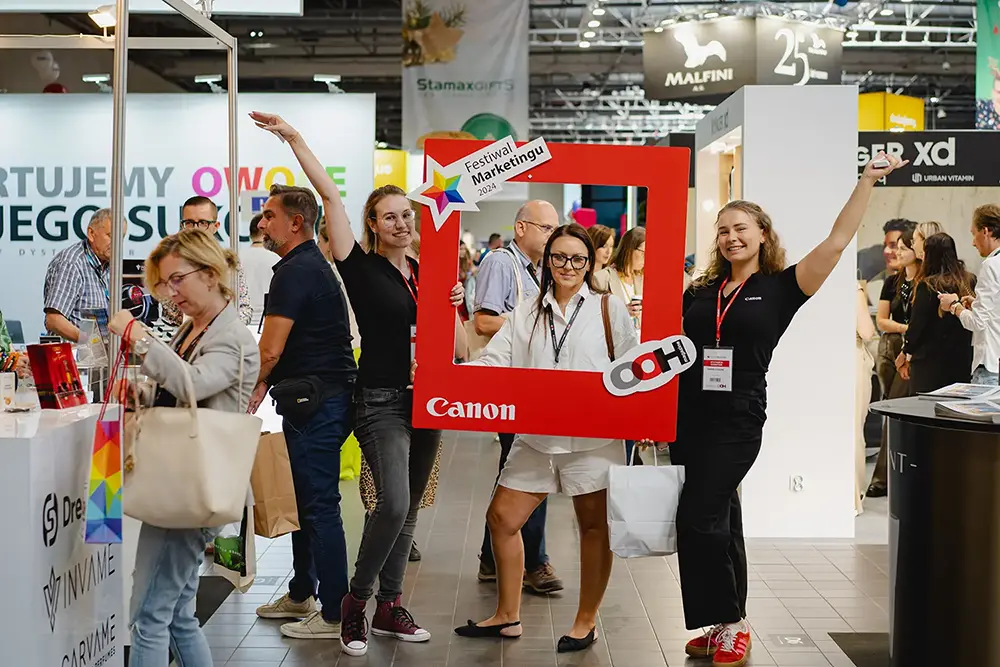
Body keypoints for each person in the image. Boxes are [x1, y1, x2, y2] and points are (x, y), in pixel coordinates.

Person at [673, 153, 905, 667]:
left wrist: (866, 180)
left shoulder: (781, 288)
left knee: (699, 517)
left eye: (741, 228)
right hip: (688, 415)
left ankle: (732, 623)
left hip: (738, 417)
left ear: (762, 235)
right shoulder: (702, 291)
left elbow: (837, 241)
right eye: (723, 230)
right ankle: (724, 621)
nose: (731, 237)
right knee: (722, 517)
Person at [250, 110, 466, 657]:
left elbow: (462, 349)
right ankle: (355, 601)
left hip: (429, 399)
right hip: (380, 399)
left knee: (409, 507)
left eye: (406, 214)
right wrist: (295, 138)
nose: (401, 223)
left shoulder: (430, 273)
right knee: (391, 502)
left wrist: (453, 306)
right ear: (372, 224)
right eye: (389, 216)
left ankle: (390, 604)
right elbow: (329, 196)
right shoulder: (361, 267)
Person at [454, 224, 638, 653]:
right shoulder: (526, 312)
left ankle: (586, 621)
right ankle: (507, 614)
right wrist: (449, 378)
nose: (567, 266)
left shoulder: (609, 309)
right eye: (559, 257)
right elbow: (495, 361)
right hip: (535, 438)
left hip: (592, 441)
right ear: (547, 261)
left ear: (589, 263)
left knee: (593, 529)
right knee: (502, 518)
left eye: (577, 258)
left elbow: (631, 367)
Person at [110, 229, 260, 667]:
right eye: (164, 284)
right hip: (181, 484)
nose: (171, 292)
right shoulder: (194, 329)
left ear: (210, 274)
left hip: (193, 488)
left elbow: (193, 384)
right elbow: (175, 388)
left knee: (151, 616)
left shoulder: (231, 338)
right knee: (176, 615)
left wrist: (138, 337)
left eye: (177, 280)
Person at [248, 180, 359, 640]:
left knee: (319, 505)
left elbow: (271, 348)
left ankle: (334, 613)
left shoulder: (296, 271)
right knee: (306, 500)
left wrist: (251, 386)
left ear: (296, 222)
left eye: (269, 215)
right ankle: (301, 592)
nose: (261, 223)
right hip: (316, 399)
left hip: (318, 403)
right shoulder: (307, 265)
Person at [473, 200, 563, 595]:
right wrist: (535, 323)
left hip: (537, 384)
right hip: (512, 384)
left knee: (515, 469)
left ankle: (492, 558)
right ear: (522, 227)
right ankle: (535, 562)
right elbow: (483, 321)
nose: (552, 236)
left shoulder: (541, 271)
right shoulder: (501, 263)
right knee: (532, 466)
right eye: (546, 228)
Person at [867, 224, 918, 498]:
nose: (895, 252)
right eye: (892, 246)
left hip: (917, 352)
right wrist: (907, 328)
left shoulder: (927, 282)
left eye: (901, 247)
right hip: (893, 349)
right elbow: (883, 321)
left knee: (902, 411)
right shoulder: (891, 283)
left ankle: (890, 477)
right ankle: (886, 477)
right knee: (893, 407)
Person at [897, 233, 976, 394]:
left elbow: (917, 326)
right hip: (962, 359)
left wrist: (906, 352)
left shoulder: (927, 285)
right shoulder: (969, 280)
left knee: (924, 407)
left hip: (929, 364)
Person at [594, 226, 646, 465]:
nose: (646, 258)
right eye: (643, 251)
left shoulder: (643, 278)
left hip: (640, 353)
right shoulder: (603, 278)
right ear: (630, 249)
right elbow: (593, 317)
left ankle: (630, 460)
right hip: (613, 357)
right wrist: (621, 312)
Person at [160, 197, 253, 327]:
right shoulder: (172, 260)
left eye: (203, 223)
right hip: (183, 334)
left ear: (216, 226)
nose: (195, 229)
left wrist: (223, 325)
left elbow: (245, 309)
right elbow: (167, 313)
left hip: (222, 335)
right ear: (182, 225)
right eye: (189, 223)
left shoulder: (228, 262)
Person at [938, 205, 1000, 386]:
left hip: (990, 365)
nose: (973, 242)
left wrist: (954, 306)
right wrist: (977, 304)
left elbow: (977, 323)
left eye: (974, 234)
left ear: (986, 231)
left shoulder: (991, 265)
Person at [42, 208, 114, 342]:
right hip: (73, 353)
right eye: (110, 236)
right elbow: (54, 320)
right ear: (91, 234)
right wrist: (91, 342)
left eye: (121, 238)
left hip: (97, 353)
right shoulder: (71, 263)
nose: (116, 243)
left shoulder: (109, 266)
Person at [855, 281, 876, 514]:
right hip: (853, 358)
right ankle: (853, 496)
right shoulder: (854, 289)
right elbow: (867, 331)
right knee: (854, 431)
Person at [240, 213, 280, 327]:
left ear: (250, 234)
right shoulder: (277, 259)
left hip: (241, 322)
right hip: (269, 323)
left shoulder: (237, 258)